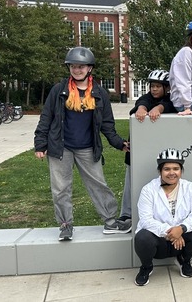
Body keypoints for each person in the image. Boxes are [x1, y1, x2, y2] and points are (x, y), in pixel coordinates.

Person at [34, 47, 131, 241]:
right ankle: (65, 224)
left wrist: (119, 143)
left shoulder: (99, 93)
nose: (77, 70)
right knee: (60, 187)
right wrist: (40, 143)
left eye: (81, 66)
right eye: (73, 66)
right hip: (60, 147)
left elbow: (107, 124)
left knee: (98, 184)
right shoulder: (59, 90)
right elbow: (46, 117)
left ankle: (110, 220)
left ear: (89, 69)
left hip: (88, 147)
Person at [134, 148, 192, 286]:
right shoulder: (148, 190)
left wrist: (182, 228)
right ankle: (146, 267)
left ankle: (183, 259)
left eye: (176, 168)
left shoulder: (190, 187)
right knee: (142, 237)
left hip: (181, 244)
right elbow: (146, 220)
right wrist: (171, 231)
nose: (172, 173)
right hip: (159, 242)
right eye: (167, 169)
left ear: (181, 171)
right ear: (160, 171)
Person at [119, 69, 176, 222]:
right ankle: (126, 214)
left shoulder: (172, 100)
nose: (154, 89)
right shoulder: (146, 98)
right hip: (136, 154)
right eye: (152, 86)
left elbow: (168, 105)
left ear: (167, 88)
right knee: (131, 184)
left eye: (158, 86)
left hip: (159, 153)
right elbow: (142, 103)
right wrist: (142, 109)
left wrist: (159, 109)